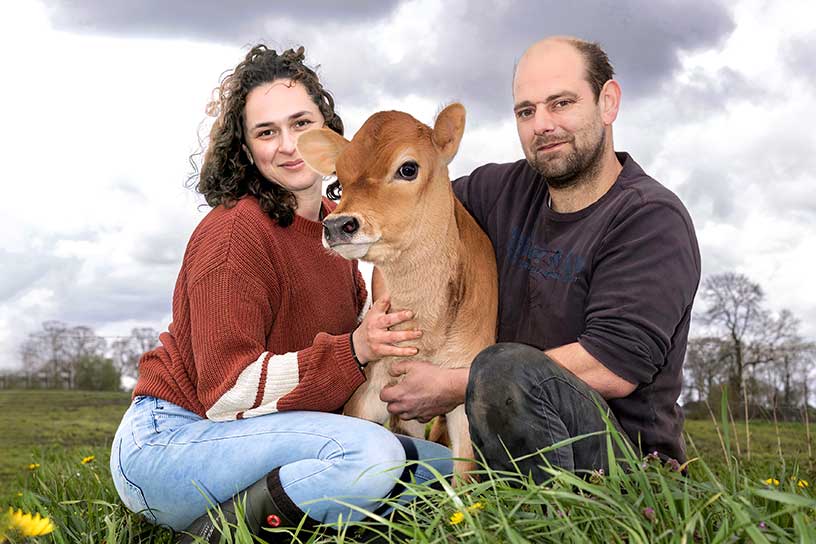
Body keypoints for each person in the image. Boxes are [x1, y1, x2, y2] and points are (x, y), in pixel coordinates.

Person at [109, 45, 452, 543]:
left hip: (258, 436)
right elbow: (226, 392)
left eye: (301, 124)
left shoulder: (335, 232)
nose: (290, 146)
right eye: (267, 132)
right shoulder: (235, 234)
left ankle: (310, 515)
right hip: (173, 440)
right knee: (370, 456)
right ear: (247, 149)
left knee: (447, 470)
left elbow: (353, 353)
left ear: (328, 133)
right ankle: (212, 535)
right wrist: (354, 348)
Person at [379, 36, 701, 482]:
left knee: (503, 369)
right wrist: (389, 321)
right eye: (526, 111)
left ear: (608, 102)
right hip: (497, 444)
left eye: (561, 103)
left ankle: (548, 513)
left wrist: (451, 384)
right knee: (377, 472)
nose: (542, 125)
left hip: (620, 464)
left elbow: (610, 366)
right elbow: (407, 219)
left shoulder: (650, 220)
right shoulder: (497, 192)